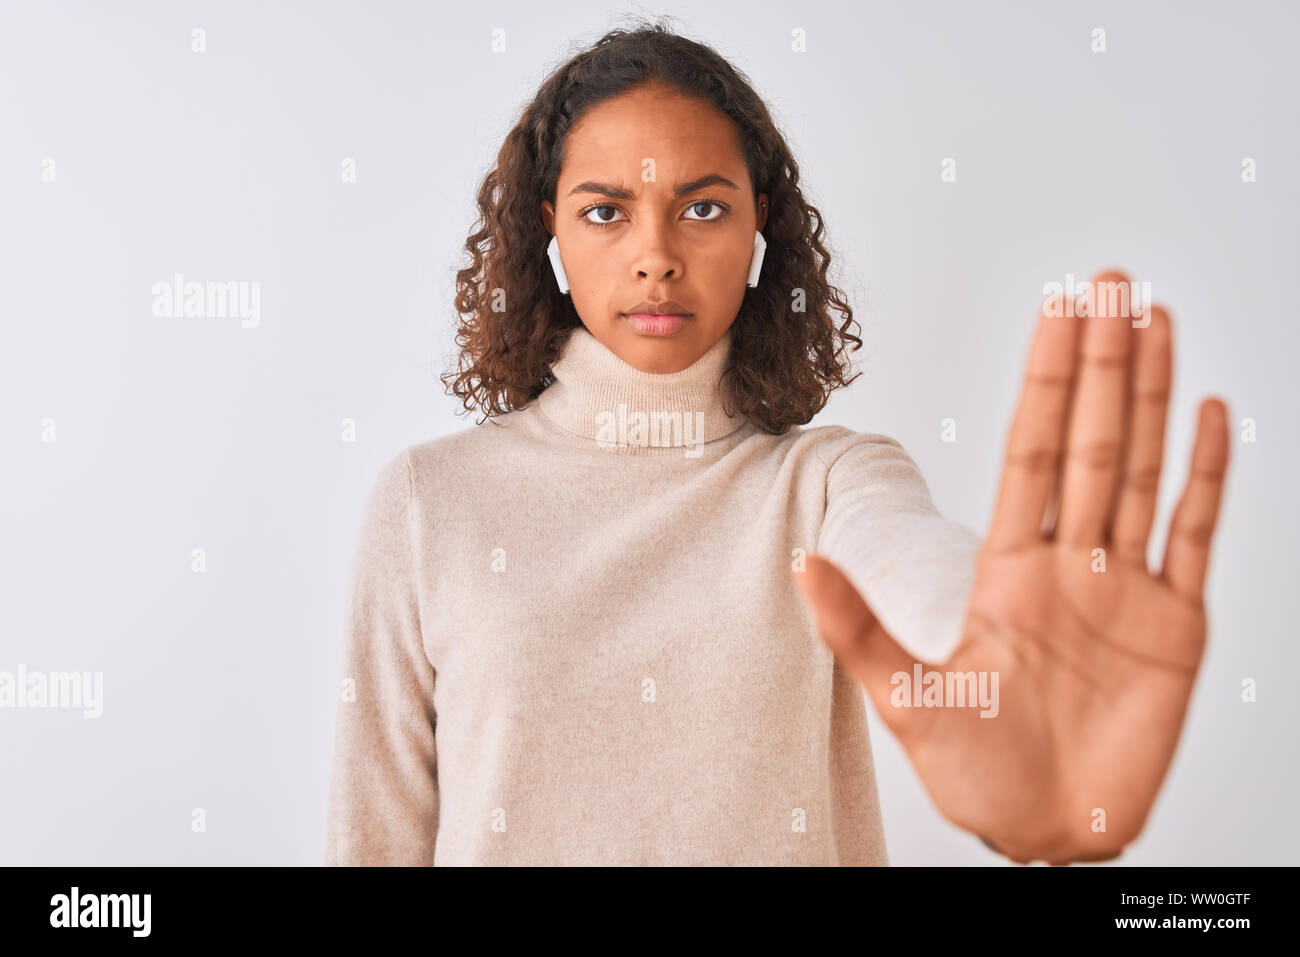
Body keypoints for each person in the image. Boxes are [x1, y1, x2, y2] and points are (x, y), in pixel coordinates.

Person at [324, 20, 1229, 866]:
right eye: (606, 211)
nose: (656, 255)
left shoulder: (828, 481)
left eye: (703, 209)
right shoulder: (426, 501)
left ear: (759, 226)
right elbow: (373, 838)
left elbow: (914, 567)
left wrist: (988, 669)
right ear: (549, 228)